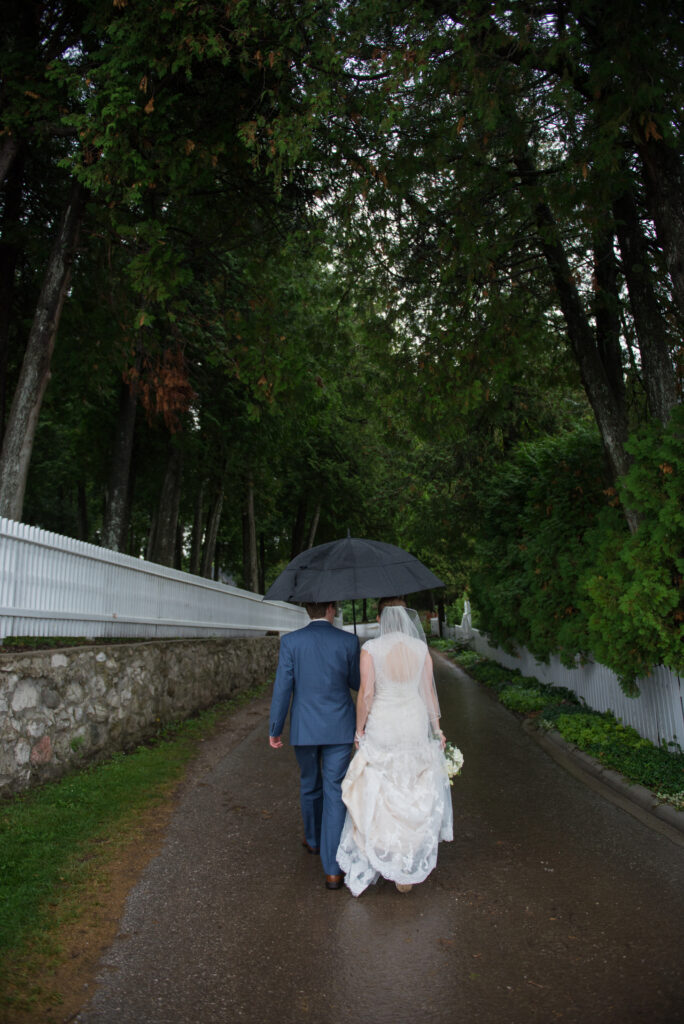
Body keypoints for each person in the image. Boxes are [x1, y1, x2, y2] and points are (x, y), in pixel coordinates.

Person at [336, 596, 453, 896]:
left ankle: (386, 856)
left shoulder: (371, 649)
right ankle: (407, 863)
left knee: (383, 788)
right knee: (412, 787)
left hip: (384, 723)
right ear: (405, 618)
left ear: (380, 619)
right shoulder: (420, 648)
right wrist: (437, 730)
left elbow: (366, 694)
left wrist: (359, 729)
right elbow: (428, 692)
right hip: (414, 722)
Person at [269, 600, 361, 890]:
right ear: (330, 609)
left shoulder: (291, 642)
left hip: (305, 728)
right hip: (339, 727)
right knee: (335, 790)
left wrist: (275, 728)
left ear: (307, 610)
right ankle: (333, 870)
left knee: (310, 783)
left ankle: (313, 840)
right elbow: (356, 682)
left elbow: (282, 687)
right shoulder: (348, 641)